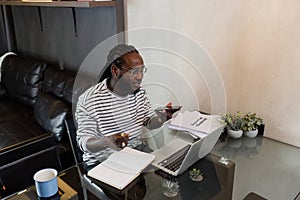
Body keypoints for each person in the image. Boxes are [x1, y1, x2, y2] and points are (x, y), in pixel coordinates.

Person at [75, 44, 175, 168]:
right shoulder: (90, 100)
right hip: (102, 161)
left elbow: (149, 122)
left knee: (168, 174)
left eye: (141, 70)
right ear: (115, 70)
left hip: (135, 152)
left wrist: (162, 118)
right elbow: (84, 143)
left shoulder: (139, 92)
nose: (140, 77)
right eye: (134, 72)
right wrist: (107, 142)